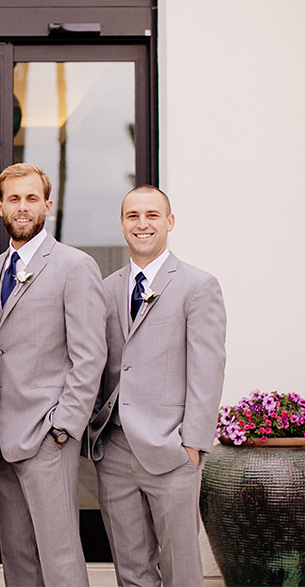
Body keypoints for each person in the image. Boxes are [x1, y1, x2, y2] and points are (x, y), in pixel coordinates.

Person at [87, 185, 226, 586]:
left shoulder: (198, 286)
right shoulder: (108, 286)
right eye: (133, 216)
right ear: (122, 224)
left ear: (169, 222)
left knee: (181, 568)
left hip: (173, 451)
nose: (142, 224)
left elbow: (208, 369)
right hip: (114, 450)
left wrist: (193, 446)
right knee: (131, 569)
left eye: (152, 215)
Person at [0, 163, 108, 586]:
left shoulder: (75, 265)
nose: (23, 207)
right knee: (16, 555)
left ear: (47, 205)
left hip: (45, 437)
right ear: (0, 206)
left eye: (31, 198)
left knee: (59, 555)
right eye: (14, 199)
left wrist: (63, 428)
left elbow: (89, 355)